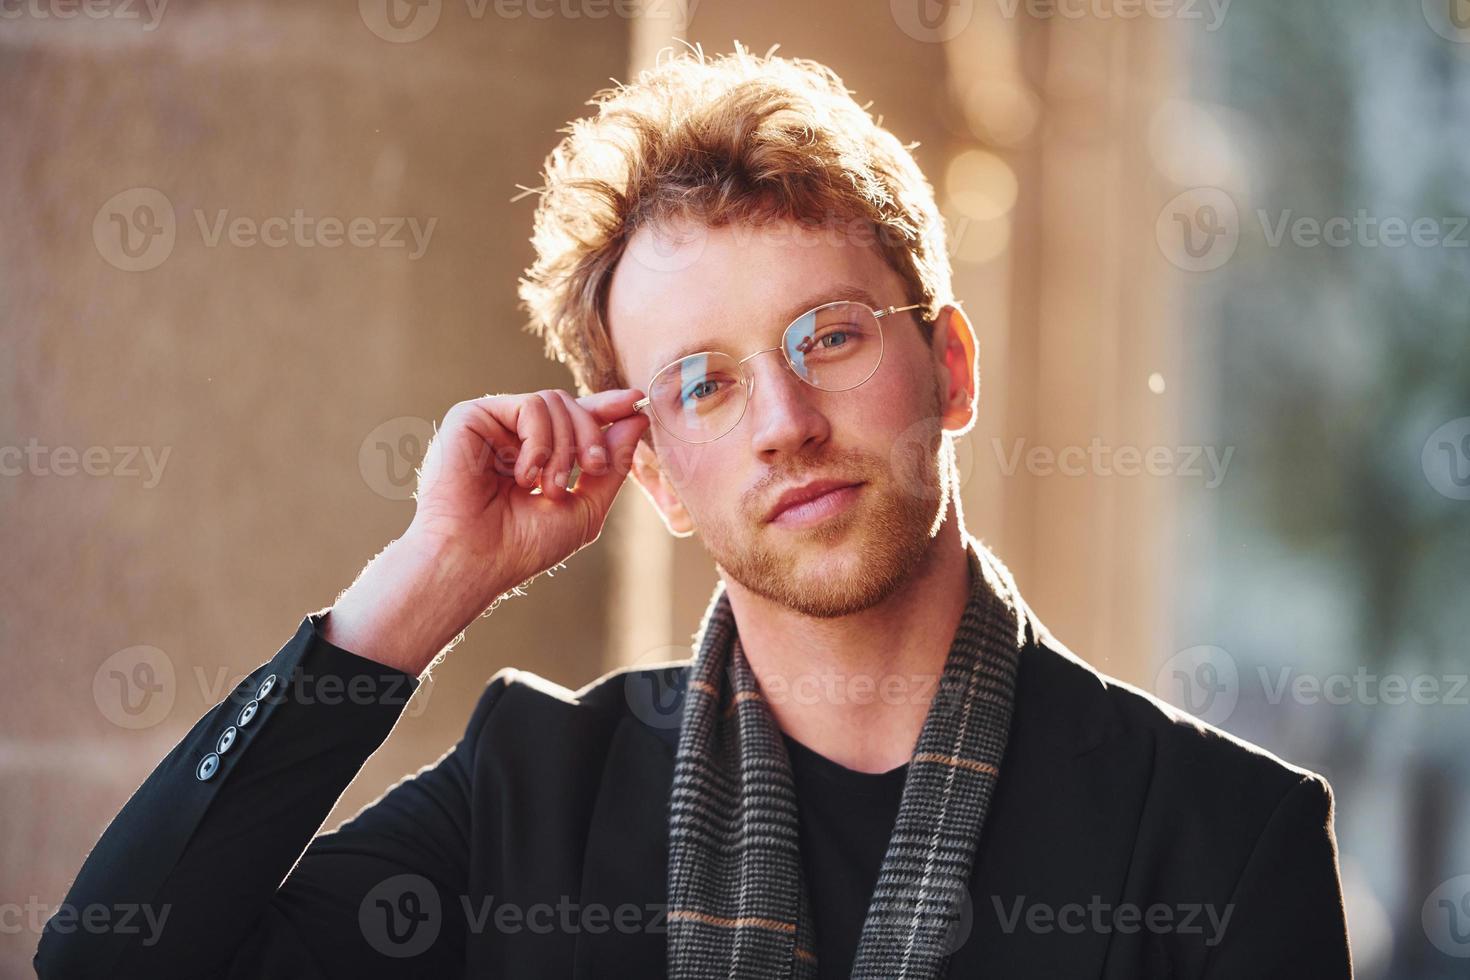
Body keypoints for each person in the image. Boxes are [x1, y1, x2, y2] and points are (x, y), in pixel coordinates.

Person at [35, 44, 1353, 979]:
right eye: (703, 384)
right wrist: (430, 575)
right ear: (652, 470)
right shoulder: (533, 799)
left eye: (827, 337)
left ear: (947, 365)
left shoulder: (1221, 841)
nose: (782, 421)